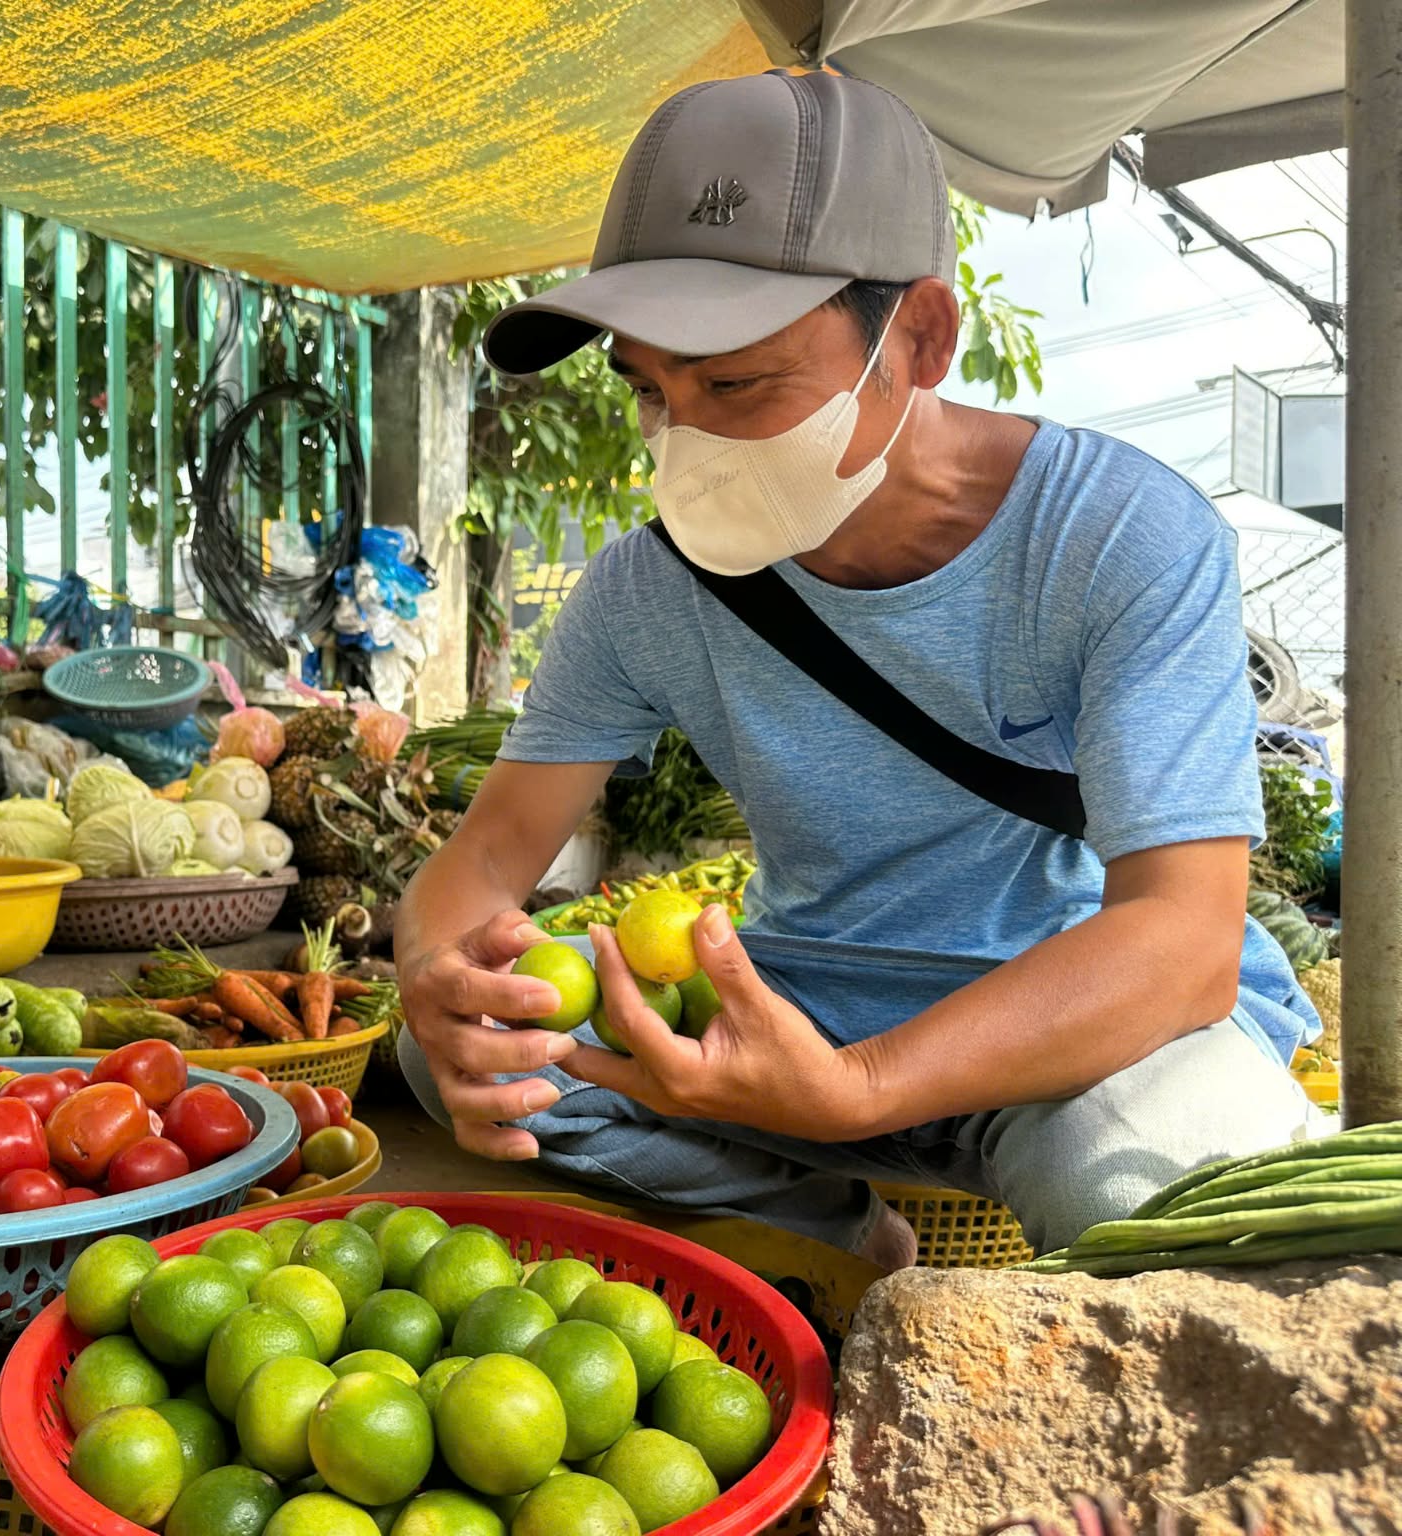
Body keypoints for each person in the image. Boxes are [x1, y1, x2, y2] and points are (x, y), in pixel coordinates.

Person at [394, 72, 1320, 1267]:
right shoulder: (644, 590)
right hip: (797, 1009)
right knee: (463, 1057)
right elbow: (484, 859)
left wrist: (861, 1085)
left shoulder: (1117, 539)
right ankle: (841, 1241)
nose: (684, 442)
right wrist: (435, 970)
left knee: (1161, 1188)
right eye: (647, 392)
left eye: (731, 382)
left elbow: (1181, 939)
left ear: (919, 338)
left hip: (1081, 1033)